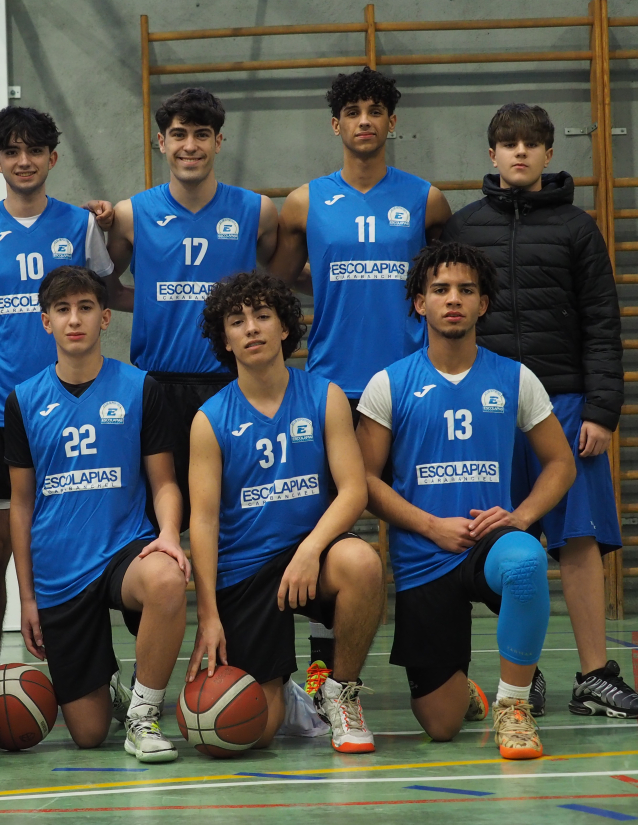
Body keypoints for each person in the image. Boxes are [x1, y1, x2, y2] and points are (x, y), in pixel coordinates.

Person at [441, 103, 638, 719]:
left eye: (531, 143)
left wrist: (602, 410)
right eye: (508, 144)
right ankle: (522, 677)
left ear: (548, 154)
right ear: (492, 154)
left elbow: (602, 323)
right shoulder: (462, 227)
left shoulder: (578, 228)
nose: (520, 152)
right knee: (504, 539)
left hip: (564, 405)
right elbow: (439, 317)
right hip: (487, 408)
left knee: (578, 539)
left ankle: (593, 677)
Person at [268, 67, 452, 693]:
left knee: (422, 522)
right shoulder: (305, 202)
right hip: (335, 385)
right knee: (332, 528)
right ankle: (325, 671)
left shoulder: (426, 200)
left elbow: (449, 280)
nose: (365, 121)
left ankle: (439, 667)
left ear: (392, 123)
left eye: (376, 111)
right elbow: (281, 282)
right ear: (336, 124)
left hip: (409, 385)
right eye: (353, 112)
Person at [356, 241, 576, 759]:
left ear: (483, 303)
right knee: (441, 726)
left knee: (525, 562)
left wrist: (520, 518)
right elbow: (363, 481)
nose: (453, 299)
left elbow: (561, 464)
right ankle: (465, 693)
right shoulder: (389, 383)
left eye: (466, 290)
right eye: (440, 290)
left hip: (489, 542)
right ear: (420, 303)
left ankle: (513, 706)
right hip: (423, 553)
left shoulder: (515, 377)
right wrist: (430, 526)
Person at [187, 270, 383, 754]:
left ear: (284, 327)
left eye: (262, 315)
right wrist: (208, 615)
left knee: (362, 562)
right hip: (246, 569)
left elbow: (353, 490)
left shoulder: (324, 396)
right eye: (237, 321)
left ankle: (341, 693)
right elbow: (204, 523)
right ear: (225, 339)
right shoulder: (210, 420)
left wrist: (311, 548)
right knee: (251, 732)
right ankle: (290, 696)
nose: (251, 328)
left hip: (311, 554)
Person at [0, 107, 114, 681]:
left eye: (35, 150)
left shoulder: (81, 226)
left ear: (53, 157)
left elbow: (106, 293)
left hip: (73, 408)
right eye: (12, 152)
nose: (24, 161)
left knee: (81, 543)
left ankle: (97, 673)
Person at [6, 266, 189, 762]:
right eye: (62, 310)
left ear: (105, 317)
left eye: (85, 308)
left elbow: (164, 482)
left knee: (167, 578)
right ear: (46, 321)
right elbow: (21, 505)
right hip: (59, 568)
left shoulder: (140, 387)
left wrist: (170, 534)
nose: (75, 319)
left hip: (123, 550)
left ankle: (142, 716)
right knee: (87, 734)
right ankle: (108, 686)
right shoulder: (23, 400)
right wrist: (26, 597)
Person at [104, 88, 279, 529]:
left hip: (232, 383)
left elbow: (280, 281)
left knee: (233, 517)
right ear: (161, 142)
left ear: (218, 142)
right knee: (157, 520)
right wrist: (151, 301)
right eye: (179, 134)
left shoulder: (257, 211)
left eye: (202, 134)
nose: (190, 146)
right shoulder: (130, 214)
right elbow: (105, 289)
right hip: (157, 385)